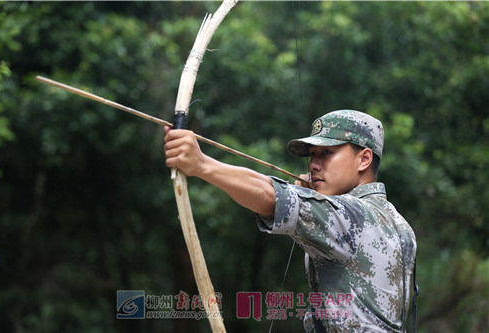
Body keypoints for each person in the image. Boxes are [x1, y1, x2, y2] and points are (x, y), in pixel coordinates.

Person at [164, 109, 417, 332]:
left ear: (364, 159)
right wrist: (313, 199)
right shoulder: (399, 224)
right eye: (312, 155)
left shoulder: (352, 216)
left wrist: (202, 165)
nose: (314, 165)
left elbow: (270, 195)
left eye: (327, 153)